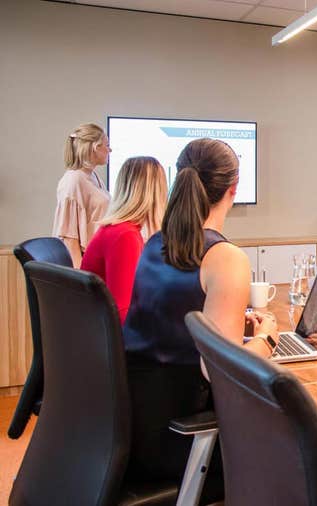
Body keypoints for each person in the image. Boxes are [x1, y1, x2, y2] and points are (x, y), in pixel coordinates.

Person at [121, 138, 276, 487]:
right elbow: (219, 370)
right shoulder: (224, 258)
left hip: (133, 426)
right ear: (233, 188)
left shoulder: (155, 242)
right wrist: (266, 339)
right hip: (183, 439)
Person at [80, 156, 167, 323]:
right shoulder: (124, 235)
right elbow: (122, 312)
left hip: (96, 330)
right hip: (111, 339)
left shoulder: (116, 229)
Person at [53, 123, 112, 267]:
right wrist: (81, 279)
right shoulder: (73, 180)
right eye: (106, 145)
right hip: (85, 263)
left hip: (98, 257)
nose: (109, 150)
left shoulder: (92, 176)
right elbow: (69, 237)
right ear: (95, 147)